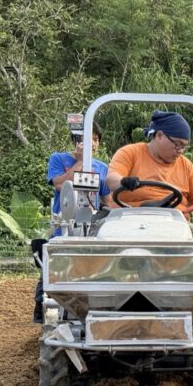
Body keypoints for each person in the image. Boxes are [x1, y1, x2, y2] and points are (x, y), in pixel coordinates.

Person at [33, 122, 112, 323]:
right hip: (65, 224)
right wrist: (79, 162)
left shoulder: (102, 168)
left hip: (92, 225)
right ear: (76, 141)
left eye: (95, 140)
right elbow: (60, 185)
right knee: (53, 265)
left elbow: (108, 199)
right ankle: (42, 308)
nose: (92, 144)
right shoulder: (59, 159)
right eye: (87, 140)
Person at [104, 110, 193, 238]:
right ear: (159, 135)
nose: (180, 151)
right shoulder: (130, 153)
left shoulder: (186, 166)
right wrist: (123, 182)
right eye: (177, 144)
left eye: (184, 146)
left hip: (175, 226)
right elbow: (112, 179)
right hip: (126, 222)